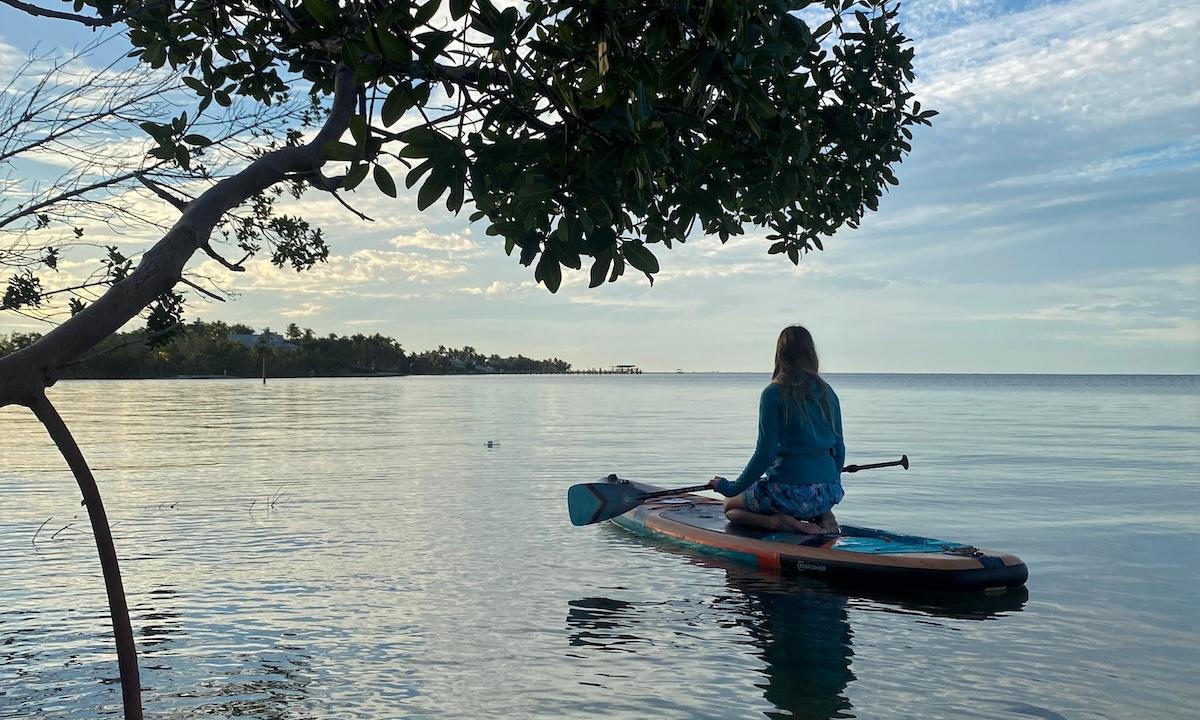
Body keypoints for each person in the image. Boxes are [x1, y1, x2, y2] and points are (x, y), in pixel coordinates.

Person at [708, 325, 845, 534]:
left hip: (791, 496)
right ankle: (824, 515)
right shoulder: (829, 393)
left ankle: (779, 523)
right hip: (827, 494)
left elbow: (765, 454)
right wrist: (829, 484)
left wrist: (731, 488)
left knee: (730, 506)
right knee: (798, 493)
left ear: (781, 355)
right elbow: (840, 449)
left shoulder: (774, 393)